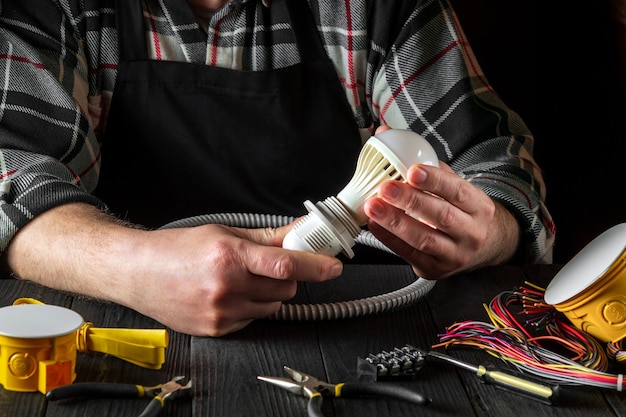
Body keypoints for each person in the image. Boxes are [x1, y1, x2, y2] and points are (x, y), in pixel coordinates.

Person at [0, 0, 554, 337]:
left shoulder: (379, 8)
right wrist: (134, 265)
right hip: (121, 332)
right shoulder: (53, 9)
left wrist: (483, 233)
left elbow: (497, 171)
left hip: (355, 328)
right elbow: (11, 180)